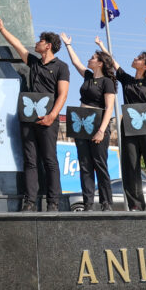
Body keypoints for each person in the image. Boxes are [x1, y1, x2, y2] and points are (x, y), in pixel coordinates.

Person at [0, 15, 70, 212]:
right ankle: (30, 202)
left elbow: (63, 94)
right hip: (28, 118)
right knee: (30, 161)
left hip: (48, 120)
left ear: (49, 46)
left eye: (41, 41)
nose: (37, 42)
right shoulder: (34, 62)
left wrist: (52, 115)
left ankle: (53, 202)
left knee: (50, 160)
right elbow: (18, 45)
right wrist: (2, 29)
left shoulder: (61, 67)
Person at [96, 39, 146, 211]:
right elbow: (115, 64)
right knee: (130, 165)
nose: (135, 59)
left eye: (139, 58)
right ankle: (136, 204)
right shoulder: (127, 80)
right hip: (129, 127)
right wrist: (102, 46)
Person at [59, 33, 117, 211]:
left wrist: (101, 130)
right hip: (81, 125)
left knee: (100, 164)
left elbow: (109, 108)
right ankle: (88, 203)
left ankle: (106, 203)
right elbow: (76, 63)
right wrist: (68, 45)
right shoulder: (88, 77)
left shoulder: (107, 82)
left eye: (93, 58)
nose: (89, 60)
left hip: (98, 126)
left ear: (100, 63)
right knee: (85, 165)